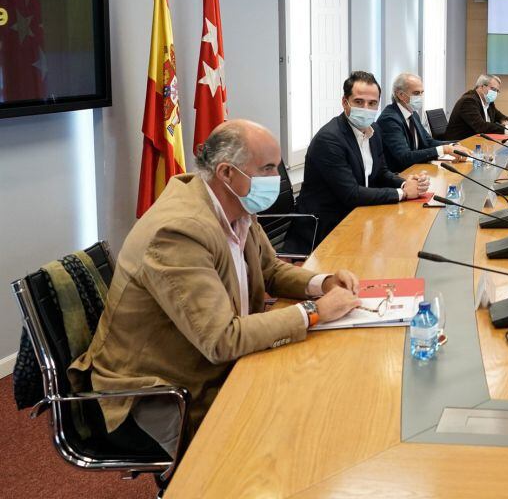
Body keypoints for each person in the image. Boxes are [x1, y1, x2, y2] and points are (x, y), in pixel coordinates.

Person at [68, 120, 363, 456]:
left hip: (205, 362)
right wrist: (313, 313)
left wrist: (322, 284)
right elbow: (222, 339)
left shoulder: (236, 206)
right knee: (282, 437)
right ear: (226, 172)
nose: (277, 179)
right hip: (157, 391)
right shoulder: (179, 231)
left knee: (308, 398)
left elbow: (269, 269)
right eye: (267, 168)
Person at [288, 71, 430, 251]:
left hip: (360, 217)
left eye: (372, 103)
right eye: (358, 102)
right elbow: (351, 194)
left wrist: (407, 184)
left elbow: (381, 172)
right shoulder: (330, 140)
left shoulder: (374, 130)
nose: (366, 108)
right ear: (344, 102)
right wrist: (402, 193)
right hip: (325, 230)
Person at [376, 72, 467, 173]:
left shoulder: (413, 114)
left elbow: (428, 142)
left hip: (416, 170)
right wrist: (444, 149)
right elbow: (404, 157)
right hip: (400, 175)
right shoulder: (389, 119)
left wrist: (453, 145)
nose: (420, 97)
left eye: (421, 93)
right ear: (401, 95)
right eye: (416, 93)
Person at [444, 74, 508, 140]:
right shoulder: (468, 101)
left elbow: (500, 117)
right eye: (493, 89)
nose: (495, 93)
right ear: (481, 86)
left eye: (497, 91)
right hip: (460, 143)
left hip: (478, 141)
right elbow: (481, 127)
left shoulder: (488, 102)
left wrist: (506, 122)